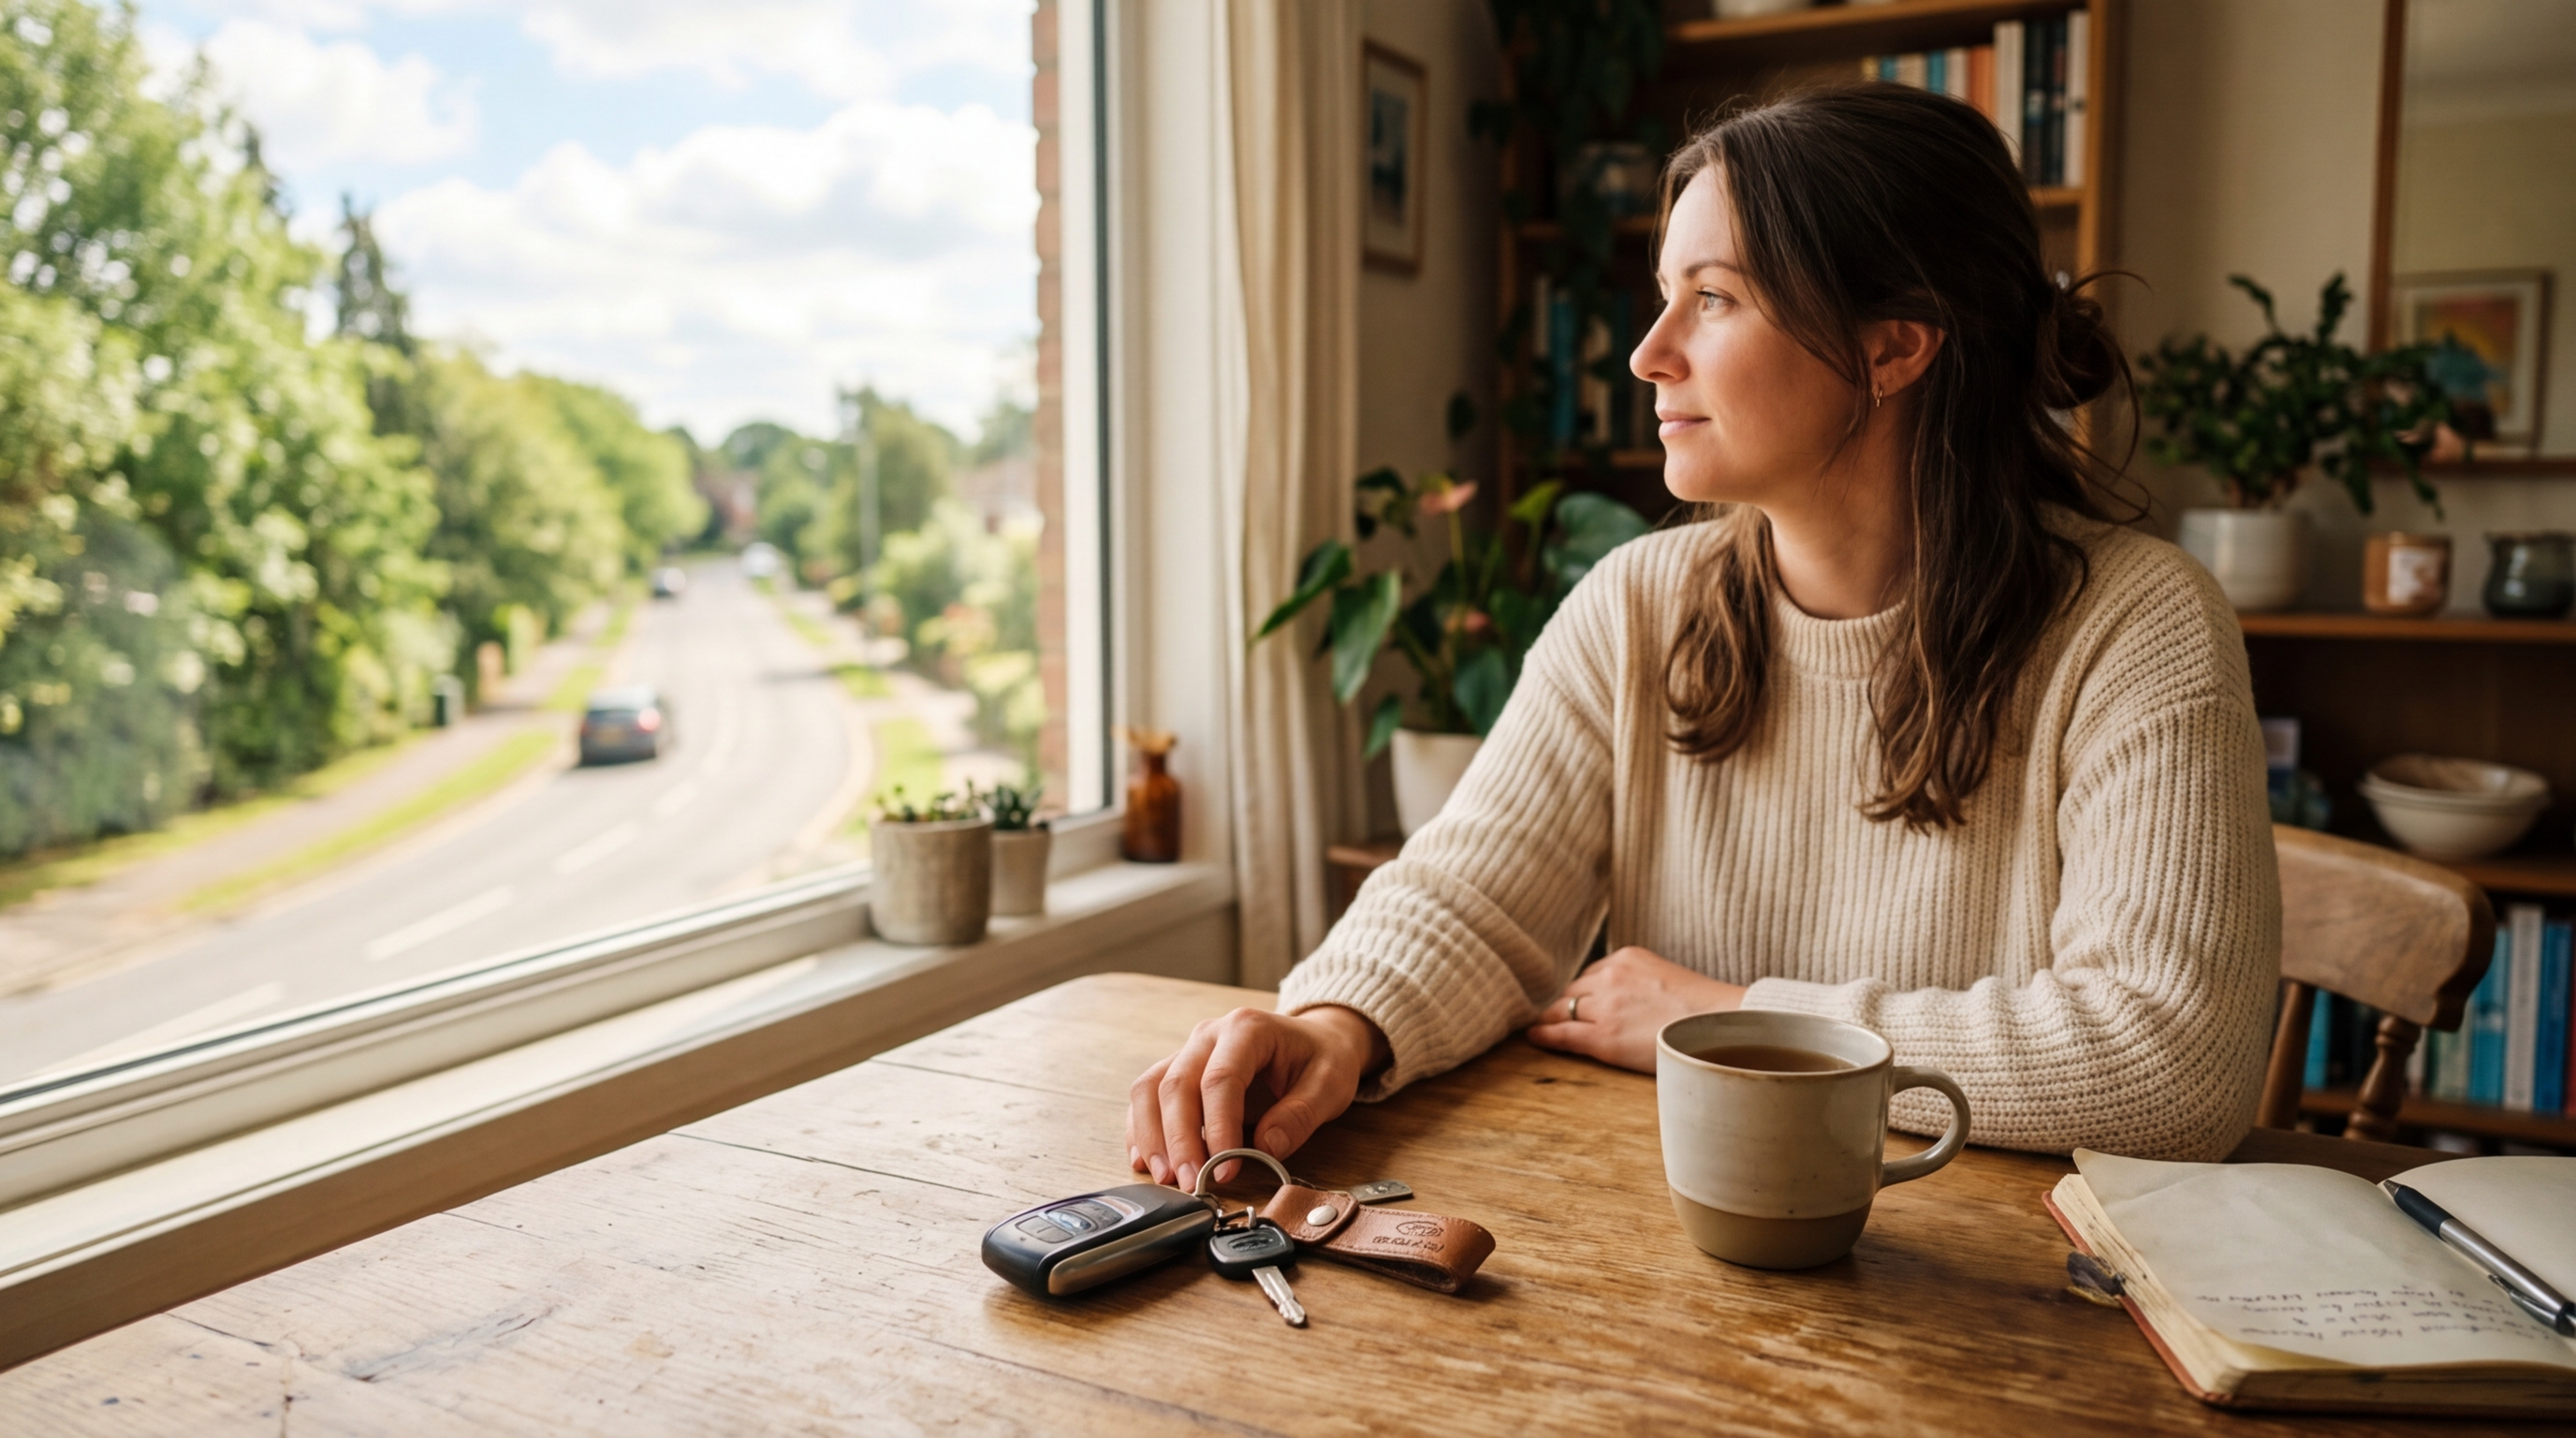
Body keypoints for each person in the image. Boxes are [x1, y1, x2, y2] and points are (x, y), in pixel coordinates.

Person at [1129, 85, 2278, 1194]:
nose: (1647, 352)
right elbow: (1472, 896)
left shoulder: (2137, 627)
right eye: (1665, 293)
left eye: (1714, 297)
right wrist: (1335, 1025)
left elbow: (2168, 1065)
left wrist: (1727, 1022)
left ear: (1893, 348)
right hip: (1678, 1257)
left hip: (2004, 1301)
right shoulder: (1636, 604)